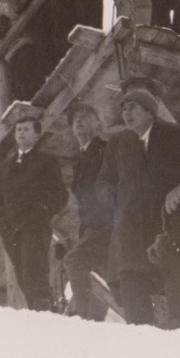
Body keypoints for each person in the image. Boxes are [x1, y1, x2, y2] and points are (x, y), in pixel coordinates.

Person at [97, 89, 180, 331]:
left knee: (174, 258)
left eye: (133, 107)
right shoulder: (132, 144)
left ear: (150, 113)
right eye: (124, 108)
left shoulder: (169, 134)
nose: (127, 113)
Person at [0, 112, 70, 312]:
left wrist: (43, 210)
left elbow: (60, 195)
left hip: (34, 224)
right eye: (18, 130)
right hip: (10, 228)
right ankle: (38, 312)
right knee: (21, 272)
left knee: (34, 268)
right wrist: (1, 222)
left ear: (37, 135)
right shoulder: (6, 165)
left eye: (27, 129)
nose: (21, 133)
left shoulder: (45, 161)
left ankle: (43, 310)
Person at [62, 103, 113, 320]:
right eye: (75, 120)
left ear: (99, 126)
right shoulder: (81, 158)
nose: (79, 121)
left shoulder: (106, 150)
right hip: (93, 226)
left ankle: (83, 317)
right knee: (110, 275)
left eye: (85, 117)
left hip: (107, 224)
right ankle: (93, 320)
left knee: (75, 260)